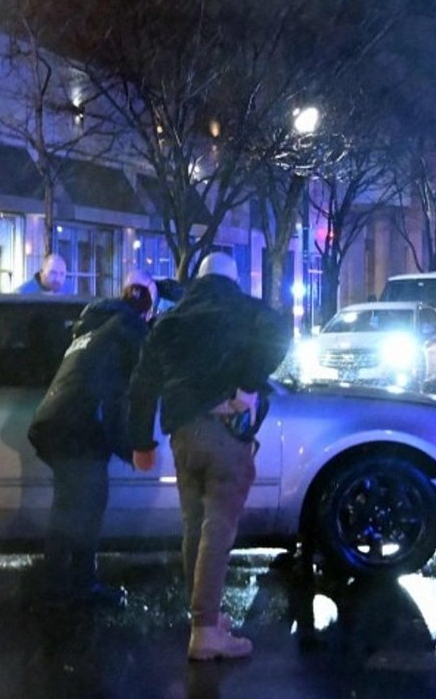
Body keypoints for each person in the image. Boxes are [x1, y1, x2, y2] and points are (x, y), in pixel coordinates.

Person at [128, 252, 291, 661]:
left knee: (194, 528)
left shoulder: (169, 321)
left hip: (183, 433)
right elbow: (278, 333)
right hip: (224, 433)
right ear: (233, 279)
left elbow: (143, 386)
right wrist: (247, 385)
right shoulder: (243, 309)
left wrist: (141, 443)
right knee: (218, 532)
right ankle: (205, 631)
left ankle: (204, 618)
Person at [27, 269, 157, 608]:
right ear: (147, 310)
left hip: (52, 422)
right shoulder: (131, 328)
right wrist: (131, 448)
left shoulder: (92, 327)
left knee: (71, 504)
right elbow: (120, 396)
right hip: (79, 426)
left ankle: (62, 583)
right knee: (85, 504)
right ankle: (71, 587)